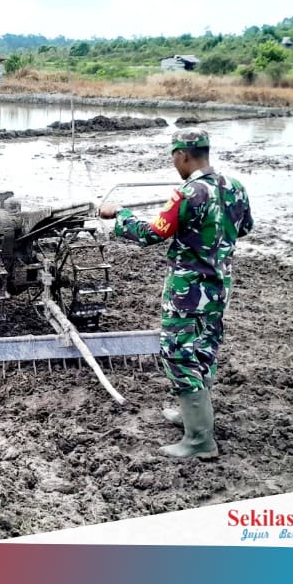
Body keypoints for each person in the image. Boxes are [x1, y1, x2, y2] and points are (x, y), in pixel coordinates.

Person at [99, 128, 253, 459]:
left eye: (174, 156)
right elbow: (244, 227)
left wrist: (120, 215)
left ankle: (199, 441)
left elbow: (152, 233)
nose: (174, 162)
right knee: (205, 349)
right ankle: (191, 415)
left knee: (180, 354)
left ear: (183, 155)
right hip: (219, 286)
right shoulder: (235, 188)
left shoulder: (188, 194)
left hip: (188, 293)